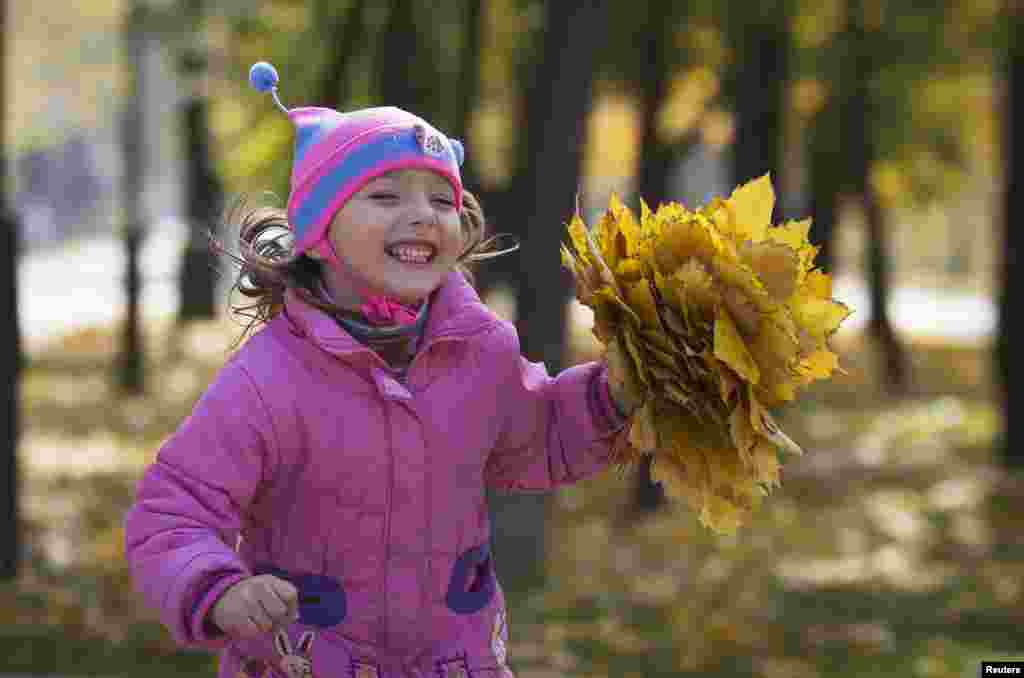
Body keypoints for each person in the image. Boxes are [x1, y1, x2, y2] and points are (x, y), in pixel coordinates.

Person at [123, 62, 640, 678]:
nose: (422, 215)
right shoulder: (269, 381)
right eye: (386, 195)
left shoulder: (481, 352)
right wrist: (221, 591)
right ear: (318, 231)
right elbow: (172, 510)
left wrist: (615, 395)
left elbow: (542, 437)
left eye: (441, 200)